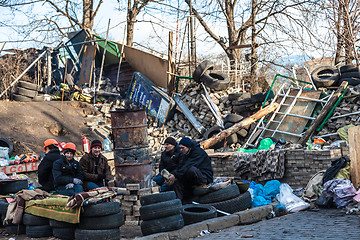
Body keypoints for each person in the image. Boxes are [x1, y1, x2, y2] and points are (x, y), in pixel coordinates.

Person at [165, 137, 213, 201]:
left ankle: (200, 185)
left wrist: (175, 175)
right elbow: (180, 167)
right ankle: (179, 203)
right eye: (180, 148)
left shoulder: (198, 152)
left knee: (191, 169)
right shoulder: (184, 154)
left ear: (188, 147)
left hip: (204, 177)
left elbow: (187, 166)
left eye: (183, 148)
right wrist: (171, 176)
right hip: (191, 177)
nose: (181, 150)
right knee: (176, 182)